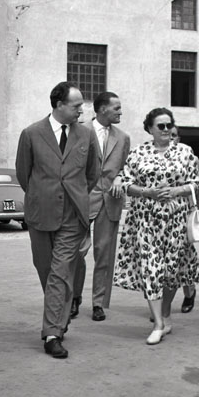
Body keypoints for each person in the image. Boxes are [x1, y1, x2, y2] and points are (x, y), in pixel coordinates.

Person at [15, 82, 100, 360]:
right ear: (59, 105)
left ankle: (52, 333)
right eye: (76, 106)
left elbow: (92, 174)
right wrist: (43, 195)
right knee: (45, 269)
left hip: (73, 216)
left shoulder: (86, 135)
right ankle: (61, 314)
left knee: (60, 272)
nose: (81, 110)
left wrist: (76, 195)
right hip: (41, 214)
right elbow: (24, 174)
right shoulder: (31, 134)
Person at [113, 108, 199, 345]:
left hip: (176, 220)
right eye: (160, 126)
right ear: (149, 129)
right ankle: (158, 324)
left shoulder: (185, 152)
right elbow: (127, 183)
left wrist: (175, 190)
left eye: (168, 125)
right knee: (151, 270)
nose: (165, 130)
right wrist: (147, 192)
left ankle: (165, 313)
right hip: (146, 220)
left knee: (172, 272)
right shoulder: (138, 152)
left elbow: (195, 184)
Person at [71, 91, 130, 321]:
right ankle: (74, 297)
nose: (120, 112)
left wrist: (120, 178)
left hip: (110, 201)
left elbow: (126, 167)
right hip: (83, 199)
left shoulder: (123, 137)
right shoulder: (78, 131)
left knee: (104, 254)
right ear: (102, 109)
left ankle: (98, 303)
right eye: (117, 108)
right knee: (76, 252)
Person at [170, 126, 199, 314]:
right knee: (160, 261)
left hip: (184, 215)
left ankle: (189, 291)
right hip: (158, 218)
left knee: (184, 257)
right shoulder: (150, 156)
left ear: (179, 138)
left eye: (174, 135)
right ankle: (160, 304)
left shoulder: (191, 158)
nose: (170, 138)